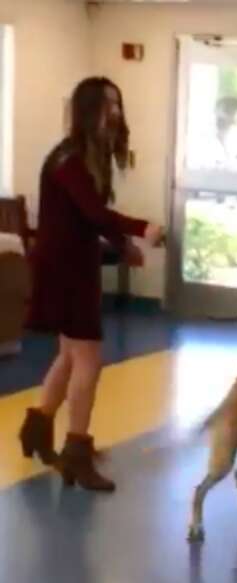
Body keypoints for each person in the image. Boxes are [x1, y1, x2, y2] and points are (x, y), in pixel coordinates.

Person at [19, 77, 163, 492]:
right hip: (65, 270)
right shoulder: (69, 161)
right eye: (107, 105)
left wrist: (124, 246)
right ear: (88, 110)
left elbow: (89, 217)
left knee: (69, 354)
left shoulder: (82, 157)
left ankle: (37, 429)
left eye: (117, 104)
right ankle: (76, 452)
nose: (115, 113)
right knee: (88, 359)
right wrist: (140, 229)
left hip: (73, 265)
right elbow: (96, 214)